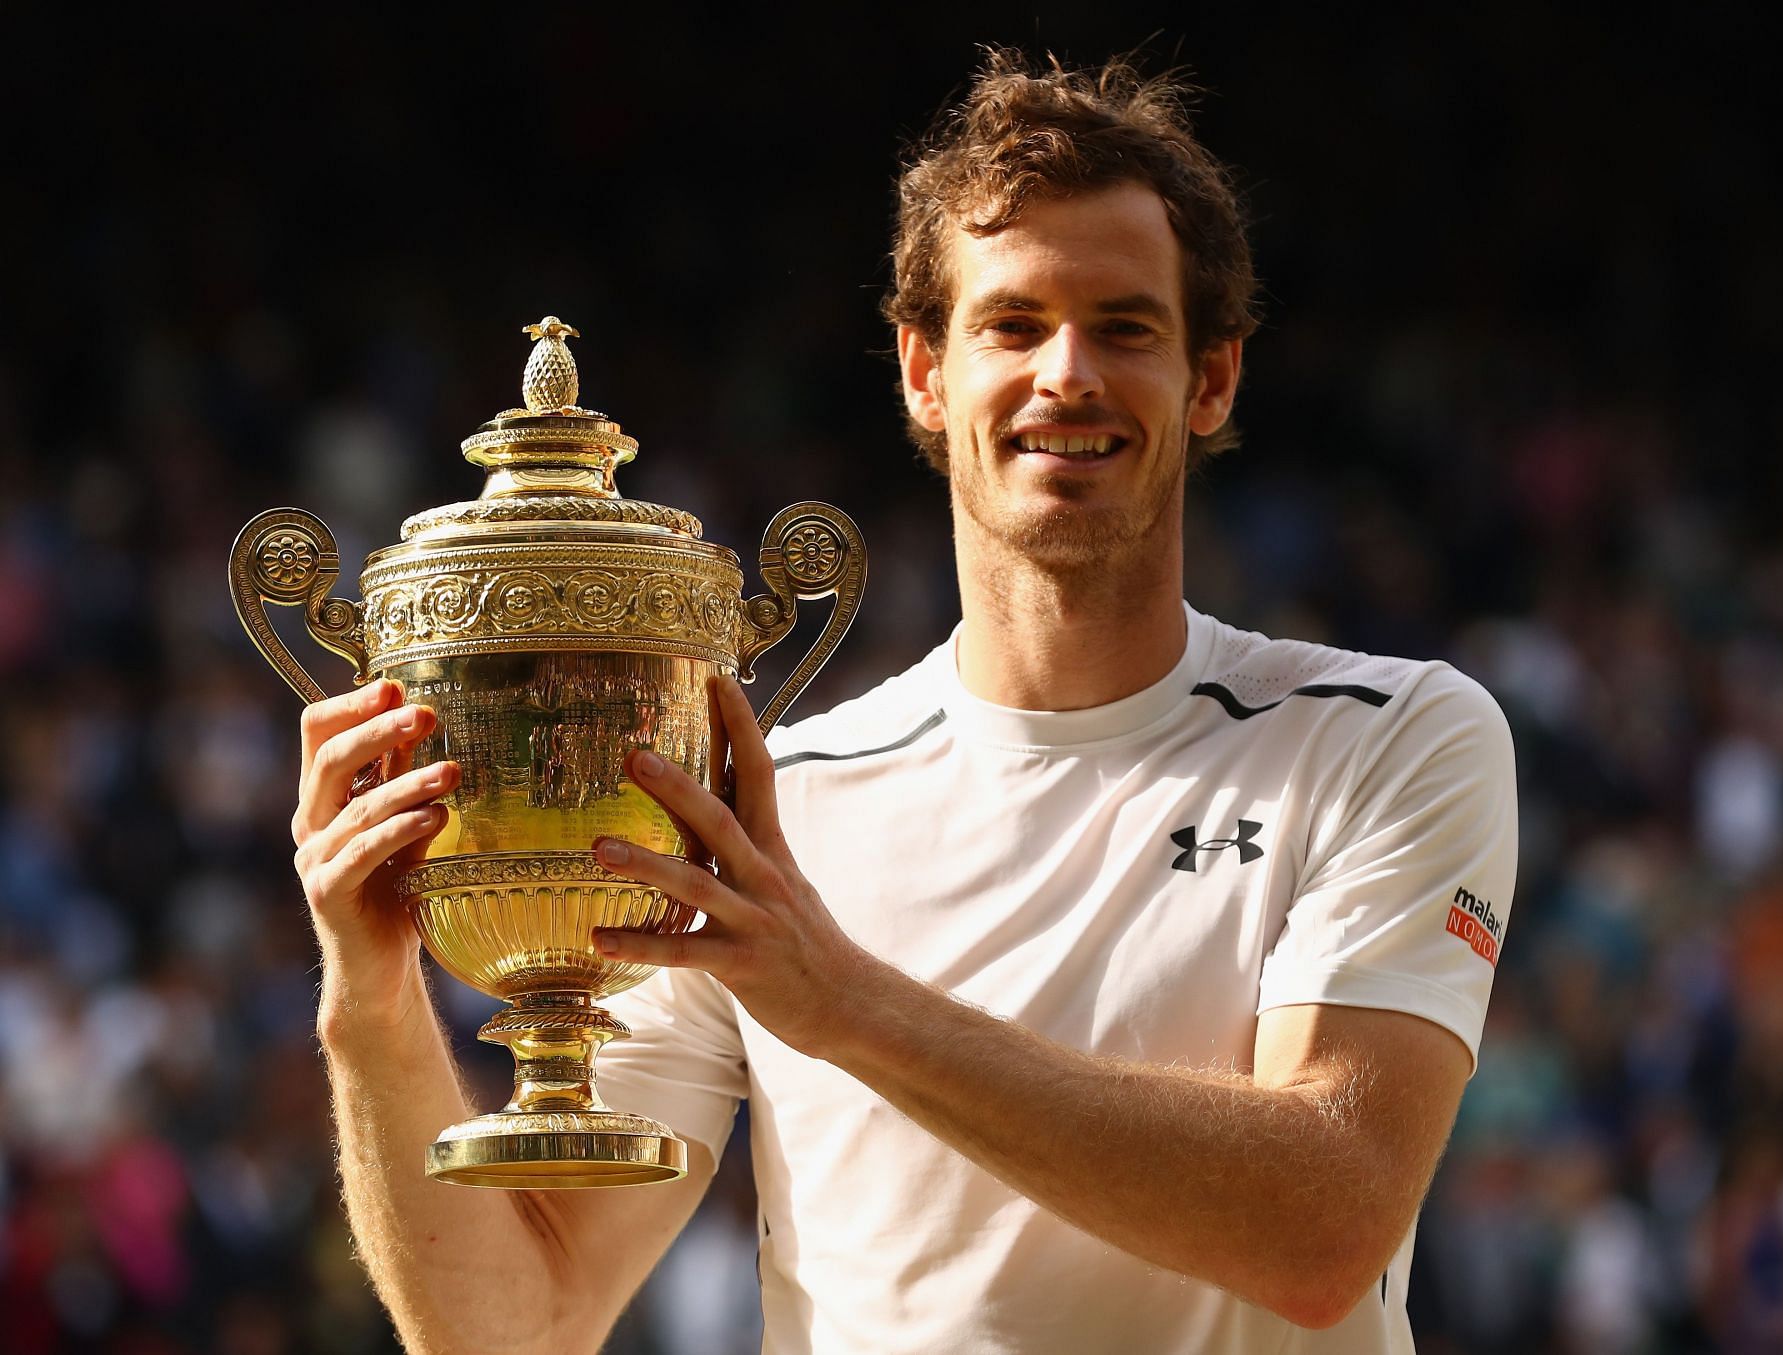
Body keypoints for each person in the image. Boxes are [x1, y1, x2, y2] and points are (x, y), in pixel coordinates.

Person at [291, 50, 1517, 1355]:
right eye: (1014, 323)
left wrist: (849, 1007)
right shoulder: (767, 811)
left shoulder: (1388, 739)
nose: (1068, 376)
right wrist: (367, 1004)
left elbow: (1321, 1228)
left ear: (1210, 379)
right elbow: (512, 1330)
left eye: (1126, 326)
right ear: (924, 371)